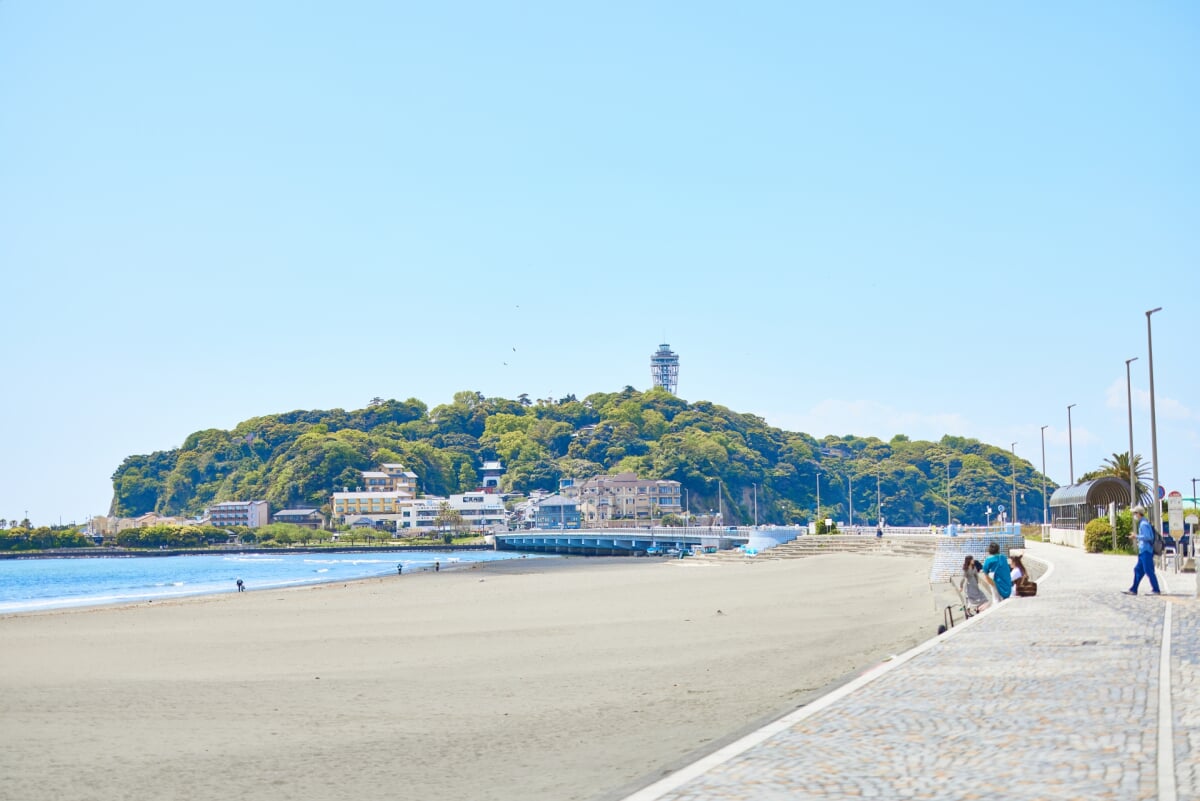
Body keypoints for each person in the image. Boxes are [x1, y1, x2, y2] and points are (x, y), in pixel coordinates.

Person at [1125, 505, 1161, 596]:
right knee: (1138, 569)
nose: (1134, 515)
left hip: (1146, 551)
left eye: (1134, 513)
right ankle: (1133, 589)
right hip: (1143, 551)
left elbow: (1148, 537)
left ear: (1138, 513)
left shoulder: (1143, 524)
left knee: (1148, 570)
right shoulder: (1143, 522)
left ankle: (1156, 589)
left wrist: (1136, 536)